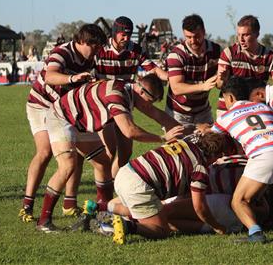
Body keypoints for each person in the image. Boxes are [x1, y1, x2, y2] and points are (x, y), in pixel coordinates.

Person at [35, 74, 183, 233]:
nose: (149, 105)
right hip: (61, 116)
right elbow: (129, 131)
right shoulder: (117, 96)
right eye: (150, 100)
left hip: (79, 120)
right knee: (68, 165)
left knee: (102, 163)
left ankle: (101, 213)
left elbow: (157, 114)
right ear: (141, 91)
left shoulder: (130, 91)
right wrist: (162, 138)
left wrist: (189, 133)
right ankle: (44, 220)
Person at [19, 24, 107, 223]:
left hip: (67, 109)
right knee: (44, 152)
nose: (96, 51)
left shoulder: (92, 57)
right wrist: (73, 78)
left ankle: (69, 204)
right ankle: (27, 205)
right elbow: (50, 76)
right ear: (82, 41)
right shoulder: (62, 52)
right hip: (42, 105)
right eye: (93, 47)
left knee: (76, 155)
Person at [205, 77, 273, 243]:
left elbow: (211, 137)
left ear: (230, 98)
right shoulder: (264, 106)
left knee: (239, 200)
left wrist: (202, 129)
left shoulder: (225, 117)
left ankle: (256, 233)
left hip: (264, 153)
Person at [95, 132, 227, 243]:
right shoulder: (200, 167)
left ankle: (97, 208)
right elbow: (199, 207)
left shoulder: (185, 142)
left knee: (148, 209)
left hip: (126, 172)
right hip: (139, 184)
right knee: (162, 230)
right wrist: (217, 227)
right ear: (217, 155)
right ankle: (127, 226)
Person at [94, 16, 169, 184]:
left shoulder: (134, 49)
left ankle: (114, 183)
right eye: (122, 35)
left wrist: (171, 78)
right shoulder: (100, 49)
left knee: (126, 151)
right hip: (103, 104)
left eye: (129, 35)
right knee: (109, 150)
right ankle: (104, 188)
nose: (126, 38)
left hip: (124, 102)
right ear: (114, 33)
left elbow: (153, 68)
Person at [215, 15, 273, 118]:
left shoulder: (269, 57)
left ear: (257, 34)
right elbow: (219, 85)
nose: (241, 39)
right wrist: (222, 79)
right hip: (228, 109)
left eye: (246, 35)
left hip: (254, 110)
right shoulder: (229, 53)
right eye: (239, 35)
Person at [165, 14, 221, 133]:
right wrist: (203, 86)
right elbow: (176, 88)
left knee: (212, 146)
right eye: (188, 37)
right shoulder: (176, 55)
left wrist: (221, 78)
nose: (192, 41)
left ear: (204, 32)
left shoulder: (216, 50)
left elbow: (221, 79)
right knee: (178, 149)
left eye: (197, 36)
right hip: (178, 113)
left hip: (203, 111)